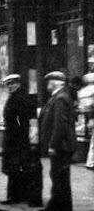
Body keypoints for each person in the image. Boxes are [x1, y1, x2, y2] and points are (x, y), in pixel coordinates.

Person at [0, 74, 42, 206]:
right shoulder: (14, 97)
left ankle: (17, 196)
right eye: (8, 84)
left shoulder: (20, 98)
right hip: (14, 138)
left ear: (18, 84)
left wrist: (19, 134)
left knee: (18, 167)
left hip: (18, 139)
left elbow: (23, 120)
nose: (10, 86)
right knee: (15, 168)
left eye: (12, 83)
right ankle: (16, 195)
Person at [40, 70, 76, 211]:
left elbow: (59, 124)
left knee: (59, 178)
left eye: (49, 82)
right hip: (62, 145)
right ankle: (58, 206)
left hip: (61, 146)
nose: (47, 85)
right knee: (59, 177)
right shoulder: (58, 97)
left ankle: (59, 207)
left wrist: (53, 145)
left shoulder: (60, 98)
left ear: (54, 84)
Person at [78, 73, 94, 169]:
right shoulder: (92, 90)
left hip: (87, 117)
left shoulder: (82, 91)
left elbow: (83, 106)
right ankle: (91, 162)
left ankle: (90, 161)